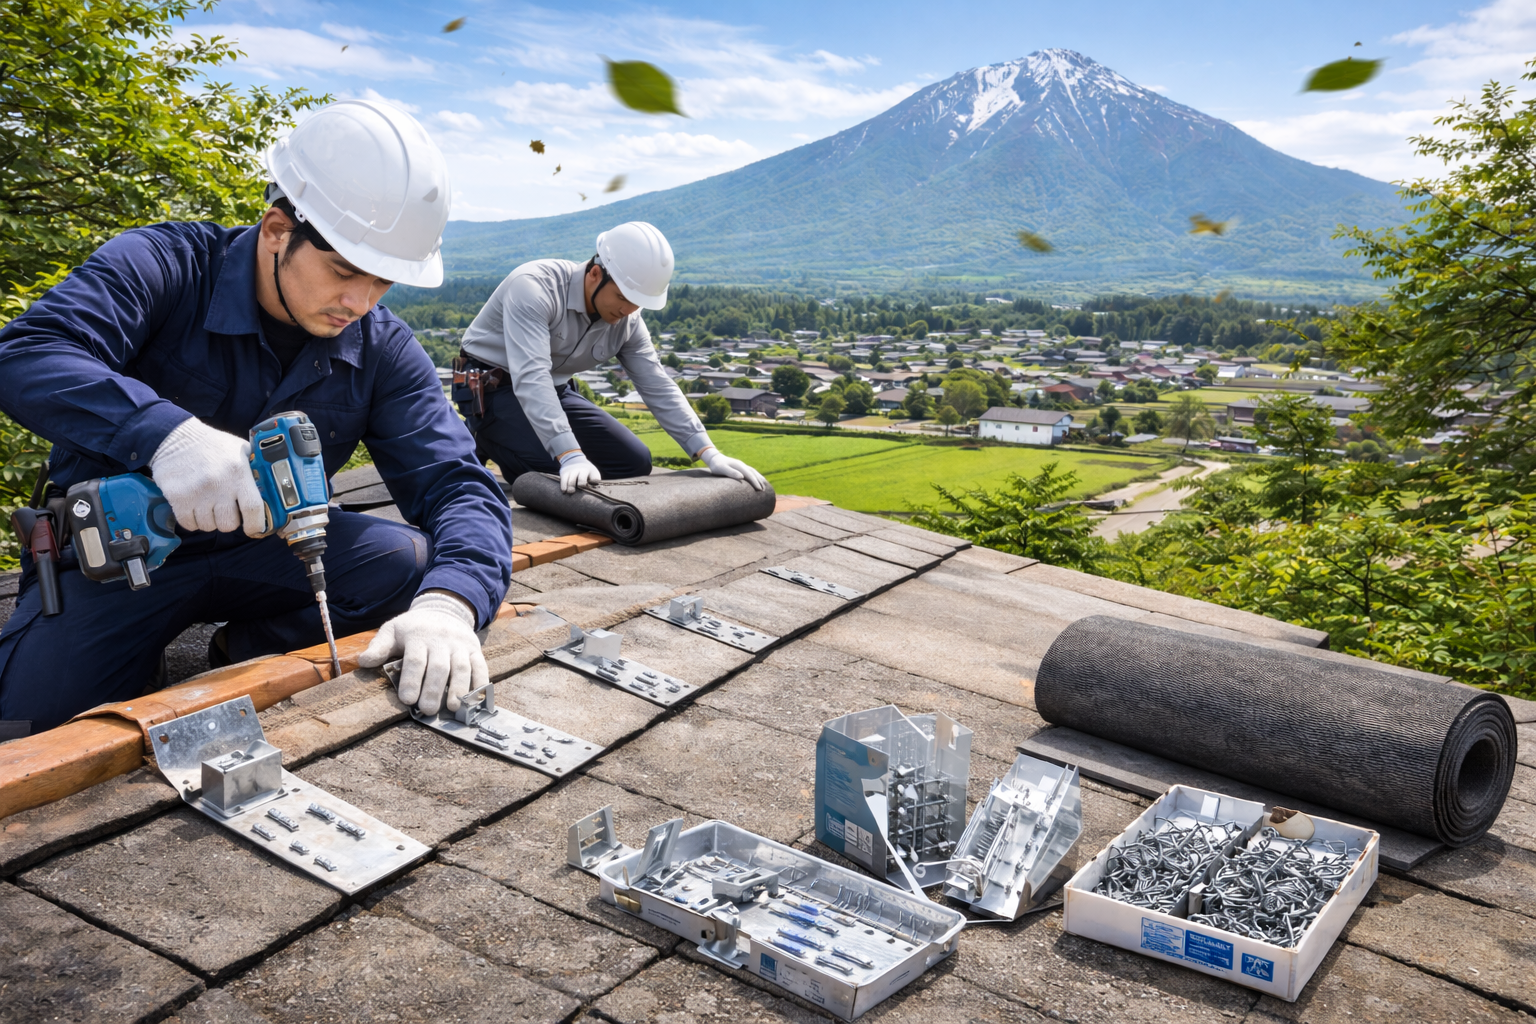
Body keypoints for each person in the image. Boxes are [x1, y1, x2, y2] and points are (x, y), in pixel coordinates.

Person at [0, 99, 514, 733]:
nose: (359, 301)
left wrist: (452, 603)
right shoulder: (166, 265)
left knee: (408, 565)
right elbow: (27, 353)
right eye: (343, 271)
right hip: (120, 553)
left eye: (383, 282)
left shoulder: (382, 346)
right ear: (277, 230)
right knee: (32, 730)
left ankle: (239, 651)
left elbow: (457, 484)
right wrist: (166, 435)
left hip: (272, 549)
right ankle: (126, 656)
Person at [455, 221, 765, 494]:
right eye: (622, 297)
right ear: (594, 274)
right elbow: (531, 377)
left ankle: (519, 447)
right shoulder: (535, 287)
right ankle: (486, 436)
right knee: (552, 468)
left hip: (556, 391)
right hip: (493, 390)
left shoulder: (627, 321)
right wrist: (569, 454)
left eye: (637, 303)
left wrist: (708, 452)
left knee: (634, 462)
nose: (627, 311)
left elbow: (656, 383)